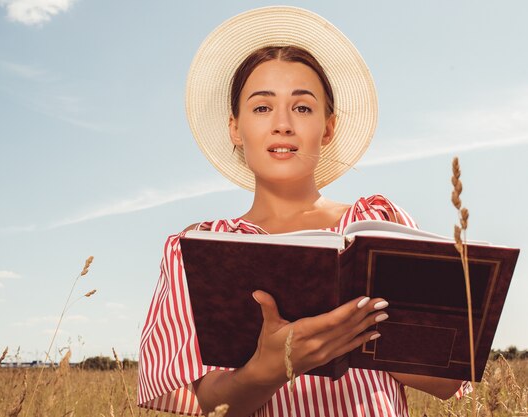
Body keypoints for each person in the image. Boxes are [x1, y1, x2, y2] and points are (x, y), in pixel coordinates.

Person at [137, 6, 470, 417]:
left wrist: (368, 338)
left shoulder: (380, 222)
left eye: (302, 107)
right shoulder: (200, 248)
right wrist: (267, 369)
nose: (282, 124)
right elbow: (204, 401)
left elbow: (449, 379)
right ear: (235, 128)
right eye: (261, 108)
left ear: (327, 127)